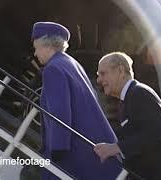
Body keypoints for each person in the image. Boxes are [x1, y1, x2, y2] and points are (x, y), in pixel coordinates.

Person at [31, 22, 122, 179]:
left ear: (47, 46)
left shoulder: (53, 69)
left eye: (36, 48)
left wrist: (57, 149)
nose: (35, 53)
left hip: (73, 155)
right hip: (96, 155)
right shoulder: (71, 63)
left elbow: (60, 111)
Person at [94, 52, 161, 180]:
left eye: (103, 73)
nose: (99, 80)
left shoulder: (139, 93)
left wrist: (117, 147)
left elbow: (156, 132)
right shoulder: (127, 99)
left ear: (121, 71)